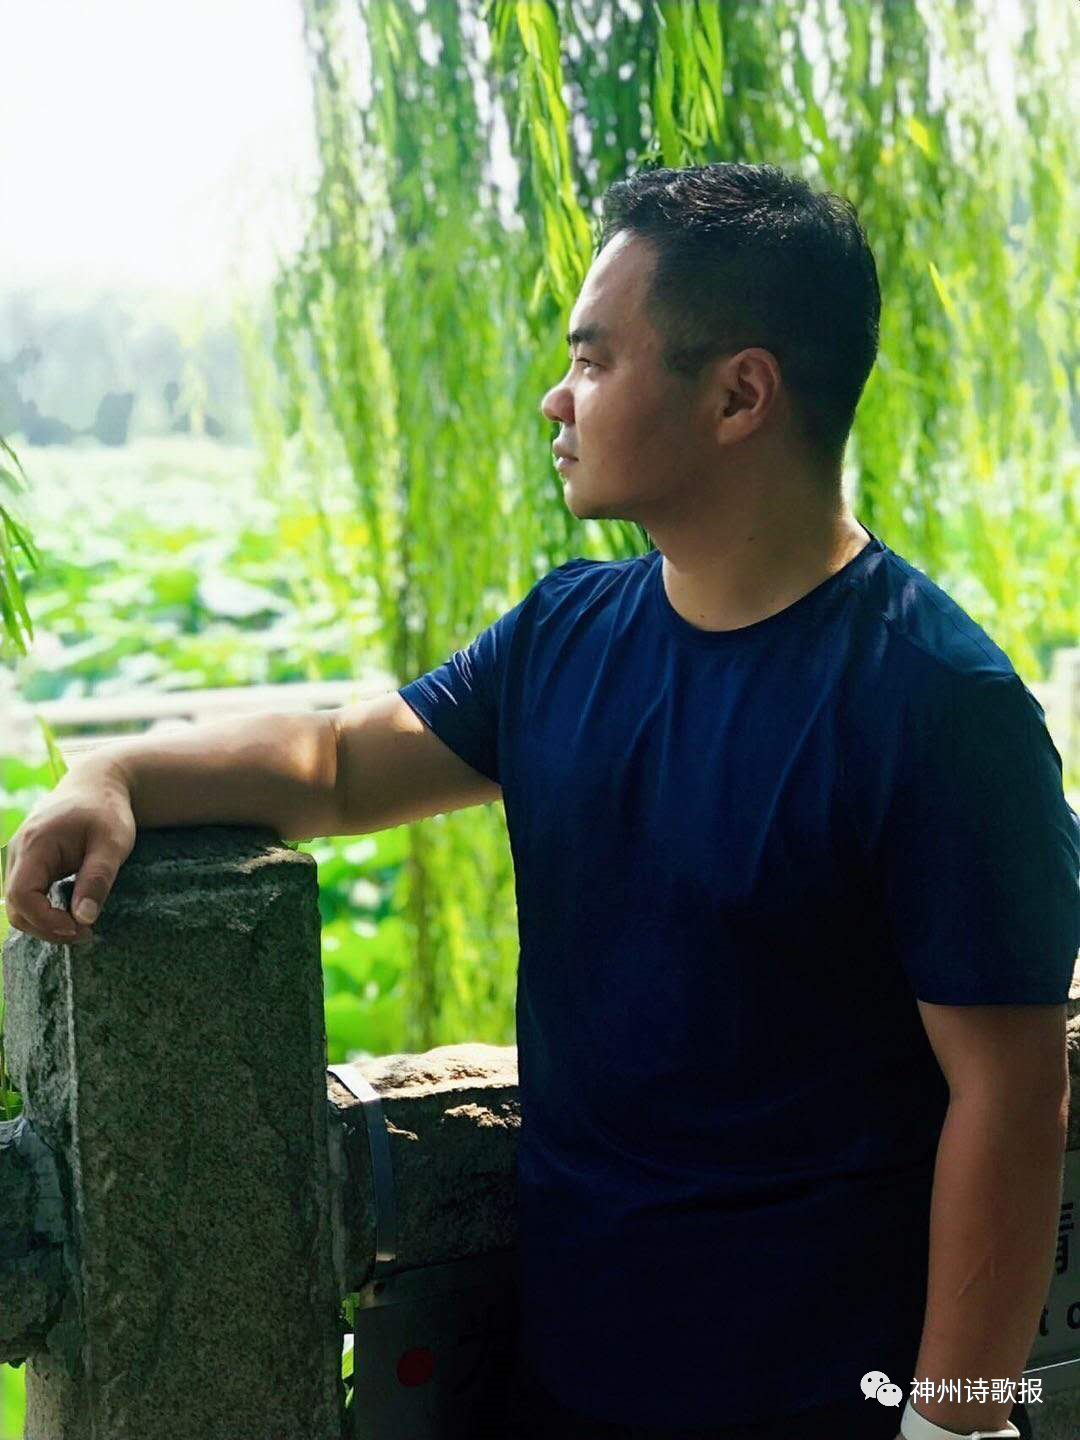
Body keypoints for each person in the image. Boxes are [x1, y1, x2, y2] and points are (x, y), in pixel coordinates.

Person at [3, 162, 1073, 1440]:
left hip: (820, 1394)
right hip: (569, 1375)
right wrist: (119, 772)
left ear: (740, 395)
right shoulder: (568, 631)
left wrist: (955, 1425)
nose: (557, 399)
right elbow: (337, 764)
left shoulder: (939, 704)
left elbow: (1011, 1098)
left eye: (596, 360)